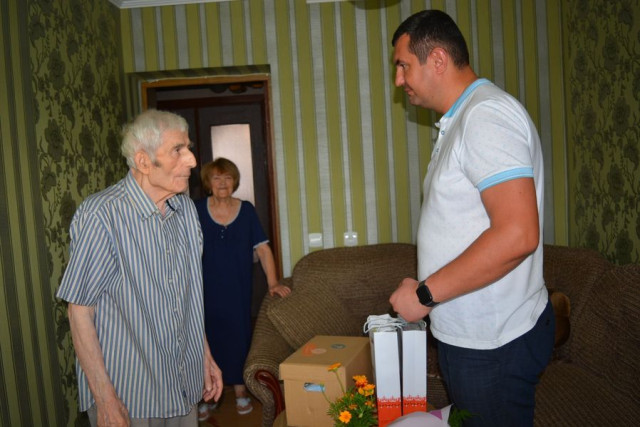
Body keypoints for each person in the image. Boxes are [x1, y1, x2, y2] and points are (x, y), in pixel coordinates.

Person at [388, 10, 555, 427]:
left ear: (437, 59)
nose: (398, 80)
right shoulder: (463, 119)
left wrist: (424, 295)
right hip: (476, 338)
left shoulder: (486, 117)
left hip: (493, 344)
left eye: (403, 66)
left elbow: (517, 234)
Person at [57, 109, 223, 426]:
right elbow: (79, 312)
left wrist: (204, 356)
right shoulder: (102, 215)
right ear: (143, 161)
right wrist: (105, 400)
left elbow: (188, 297)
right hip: (130, 397)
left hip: (184, 387)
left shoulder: (186, 210)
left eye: (188, 148)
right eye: (178, 150)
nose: (191, 160)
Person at [195, 158, 290, 419]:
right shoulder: (196, 210)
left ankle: (240, 391)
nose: (222, 183)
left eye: (227, 178)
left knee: (238, 337)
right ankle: (205, 394)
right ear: (208, 183)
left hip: (237, 288)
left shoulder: (246, 210)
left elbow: (263, 249)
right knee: (205, 339)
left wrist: (273, 283)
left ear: (235, 182)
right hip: (203, 290)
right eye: (216, 178)